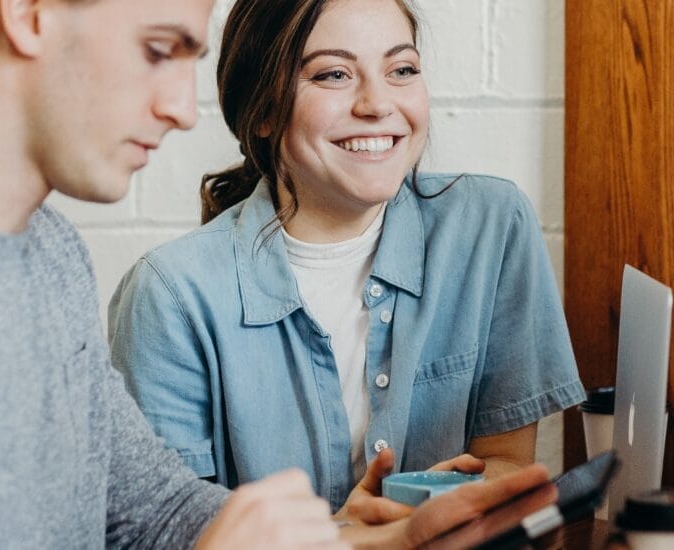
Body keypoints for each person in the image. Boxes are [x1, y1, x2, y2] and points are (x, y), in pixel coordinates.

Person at [0, 0, 556, 547]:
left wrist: (346, 539)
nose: (181, 107)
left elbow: (158, 513)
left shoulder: (46, 252)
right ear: (27, 11)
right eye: (158, 49)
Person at [107, 0, 585, 522]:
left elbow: (506, 464)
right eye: (334, 74)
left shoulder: (491, 227)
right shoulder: (170, 294)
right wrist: (347, 537)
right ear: (262, 110)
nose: (377, 104)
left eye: (401, 70)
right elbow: (167, 527)